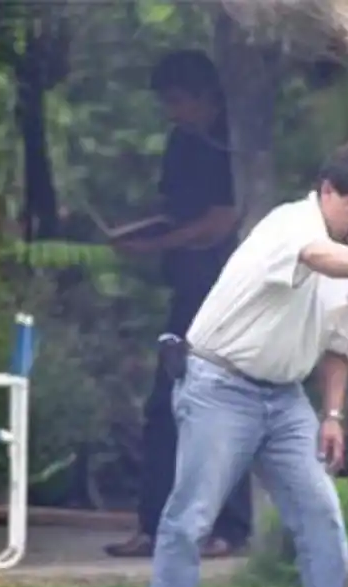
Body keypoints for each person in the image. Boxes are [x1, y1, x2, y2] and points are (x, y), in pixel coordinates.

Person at [140, 142, 348, 587]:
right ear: (327, 191)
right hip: (219, 383)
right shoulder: (289, 225)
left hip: (286, 398)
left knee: (321, 512)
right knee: (192, 515)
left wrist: (333, 414)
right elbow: (315, 257)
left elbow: (338, 343)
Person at [105, 50, 252, 560]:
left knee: (226, 404)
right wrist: (143, 232)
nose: (172, 111)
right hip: (188, 290)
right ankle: (153, 524)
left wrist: (160, 244)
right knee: (164, 406)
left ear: (206, 96)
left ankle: (227, 527)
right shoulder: (180, 143)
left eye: (178, 100)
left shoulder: (234, 142)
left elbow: (223, 219)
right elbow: (174, 211)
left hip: (229, 291)